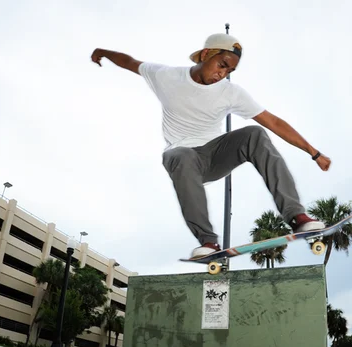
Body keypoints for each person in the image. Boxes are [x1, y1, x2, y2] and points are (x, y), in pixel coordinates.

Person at [91, 33, 332, 258]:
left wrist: (314, 152)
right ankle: (208, 241)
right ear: (206, 54)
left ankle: (296, 215)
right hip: (182, 157)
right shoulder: (166, 76)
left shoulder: (231, 92)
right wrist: (103, 51)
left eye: (230, 71)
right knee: (181, 155)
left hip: (216, 156)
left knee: (255, 133)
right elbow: (130, 62)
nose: (222, 74)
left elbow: (274, 122)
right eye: (222, 65)